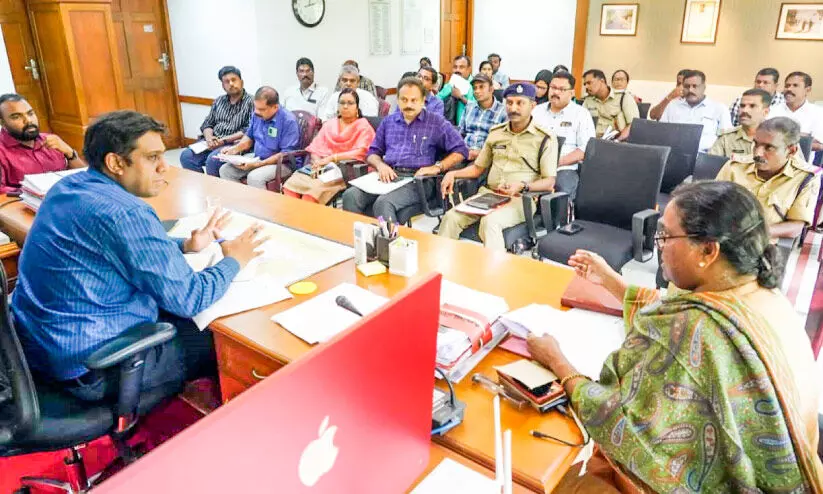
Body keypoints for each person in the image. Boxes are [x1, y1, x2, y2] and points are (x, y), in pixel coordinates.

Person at [529, 180, 823, 493]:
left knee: (551, 478)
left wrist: (558, 362)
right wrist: (609, 279)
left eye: (666, 236)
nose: (658, 244)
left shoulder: (697, 328)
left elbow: (618, 421)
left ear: (708, 250)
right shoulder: (763, 297)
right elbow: (666, 307)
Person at [11, 110, 266, 402]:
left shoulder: (67, 187)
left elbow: (113, 246)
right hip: (91, 367)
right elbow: (190, 298)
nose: (164, 167)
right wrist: (234, 260)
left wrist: (185, 245)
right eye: (152, 158)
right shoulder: (127, 213)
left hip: (38, 347)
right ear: (116, 163)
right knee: (223, 338)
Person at [438, 83, 558, 252]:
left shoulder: (544, 138)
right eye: (509, 103)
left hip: (520, 199)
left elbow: (549, 182)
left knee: (490, 222)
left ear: (532, 106)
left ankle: (494, 269)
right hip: (488, 195)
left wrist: (522, 186)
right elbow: (478, 168)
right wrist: (453, 174)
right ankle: (441, 264)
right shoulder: (496, 133)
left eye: (520, 103)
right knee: (451, 217)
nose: (513, 108)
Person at [342, 77, 467, 222]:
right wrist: (381, 165)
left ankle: (391, 238)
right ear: (398, 100)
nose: (408, 105)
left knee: (383, 203)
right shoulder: (388, 122)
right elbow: (372, 153)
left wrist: (438, 167)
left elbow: (461, 150)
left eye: (414, 100)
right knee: (350, 196)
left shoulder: (436, 122)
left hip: (418, 180)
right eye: (404, 100)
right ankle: (360, 235)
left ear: (423, 101)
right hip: (391, 175)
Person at [716, 117, 820, 239]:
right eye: (756, 144)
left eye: (769, 147)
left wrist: (751, 233)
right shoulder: (735, 166)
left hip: (765, 242)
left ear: (791, 151)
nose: (757, 153)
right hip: (722, 236)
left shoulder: (805, 178)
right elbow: (712, 203)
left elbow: (795, 226)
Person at [282, 89, 375, 205]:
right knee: (291, 185)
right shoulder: (330, 124)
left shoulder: (363, 126)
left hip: (344, 170)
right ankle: (292, 214)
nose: (345, 106)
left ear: (357, 107)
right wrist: (317, 161)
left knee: (311, 193)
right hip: (320, 166)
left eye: (350, 103)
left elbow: (361, 152)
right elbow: (315, 147)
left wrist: (331, 158)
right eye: (342, 103)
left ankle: (306, 216)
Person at [0, 94, 85, 193]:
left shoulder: (51, 140)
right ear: (3, 123)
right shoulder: (2, 151)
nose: (28, 121)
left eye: (30, 113)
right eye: (16, 117)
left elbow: (85, 177)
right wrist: (33, 193)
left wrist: (70, 153)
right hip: (26, 202)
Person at [218, 86, 300, 188]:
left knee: (254, 177)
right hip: (258, 157)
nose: (256, 112)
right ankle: (242, 197)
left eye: (261, 109)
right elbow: (249, 137)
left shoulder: (288, 121)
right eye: (255, 107)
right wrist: (234, 149)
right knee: (226, 170)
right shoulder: (257, 114)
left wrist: (259, 164)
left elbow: (285, 154)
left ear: (275, 107)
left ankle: (258, 199)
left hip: (282, 163)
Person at [532, 71, 596, 199]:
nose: (555, 92)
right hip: (533, 165)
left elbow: (585, 149)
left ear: (571, 93)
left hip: (563, 168)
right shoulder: (537, 111)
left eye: (561, 89)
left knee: (561, 194)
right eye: (553, 87)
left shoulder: (581, 114)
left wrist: (555, 163)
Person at [179, 66, 253, 176]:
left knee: (212, 160)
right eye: (226, 82)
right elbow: (207, 123)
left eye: (234, 80)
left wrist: (223, 141)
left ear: (241, 82)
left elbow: (249, 130)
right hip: (213, 142)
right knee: (186, 156)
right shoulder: (219, 101)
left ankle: (215, 186)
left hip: (233, 143)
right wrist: (209, 138)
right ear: (223, 86)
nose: (231, 84)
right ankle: (203, 184)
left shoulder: (251, 102)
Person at [660, 69, 732, 151]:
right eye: (687, 86)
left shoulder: (719, 109)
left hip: (705, 155)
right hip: (675, 153)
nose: (690, 90)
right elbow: (662, 134)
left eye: (695, 86)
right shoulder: (673, 106)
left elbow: (727, 141)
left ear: (703, 87)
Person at [769, 72, 823, 157]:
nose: (789, 89)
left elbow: (819, 145)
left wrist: (779, 139)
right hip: (772, 159)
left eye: (795, 85)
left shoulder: (818, 113)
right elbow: (765, 138)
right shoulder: (772, 110)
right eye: (787, 85)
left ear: (807, 90)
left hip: (803, 162)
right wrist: (802, 138)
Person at [710, 88, 771, 159]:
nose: (744, 110)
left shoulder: (774, 137)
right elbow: (711, 163)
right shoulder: (726, 138)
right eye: (742, 106)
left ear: (765, 112)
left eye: (752, 106)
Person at [458, 73, 507, 161]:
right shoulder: (469, 107)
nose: (477, 91)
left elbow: (503, 145)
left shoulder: (503, 112)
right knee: (443, 167)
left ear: (491, 89)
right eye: (475, 88)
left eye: (481, 87)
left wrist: (481, 153)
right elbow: (460, 134)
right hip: (464, 153)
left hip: (486, 157)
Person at [582, 69, 639, 140]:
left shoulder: (624, 97)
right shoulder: (588, 100)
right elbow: (580, 123)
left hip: (617, 141)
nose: (586, 87)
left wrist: (617, 141)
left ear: (602, 81)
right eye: (585, 84)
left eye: (589, 83)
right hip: (593, 141)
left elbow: (633, 124)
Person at [438, 55, 475, 126]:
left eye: (461, 67)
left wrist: (461, 97)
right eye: (455, 67)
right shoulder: (449, 84)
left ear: (469, 69)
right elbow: (437, 99)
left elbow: (479, 108)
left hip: (469, 126)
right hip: (448, 126)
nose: (457, 70)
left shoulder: (476, 85)